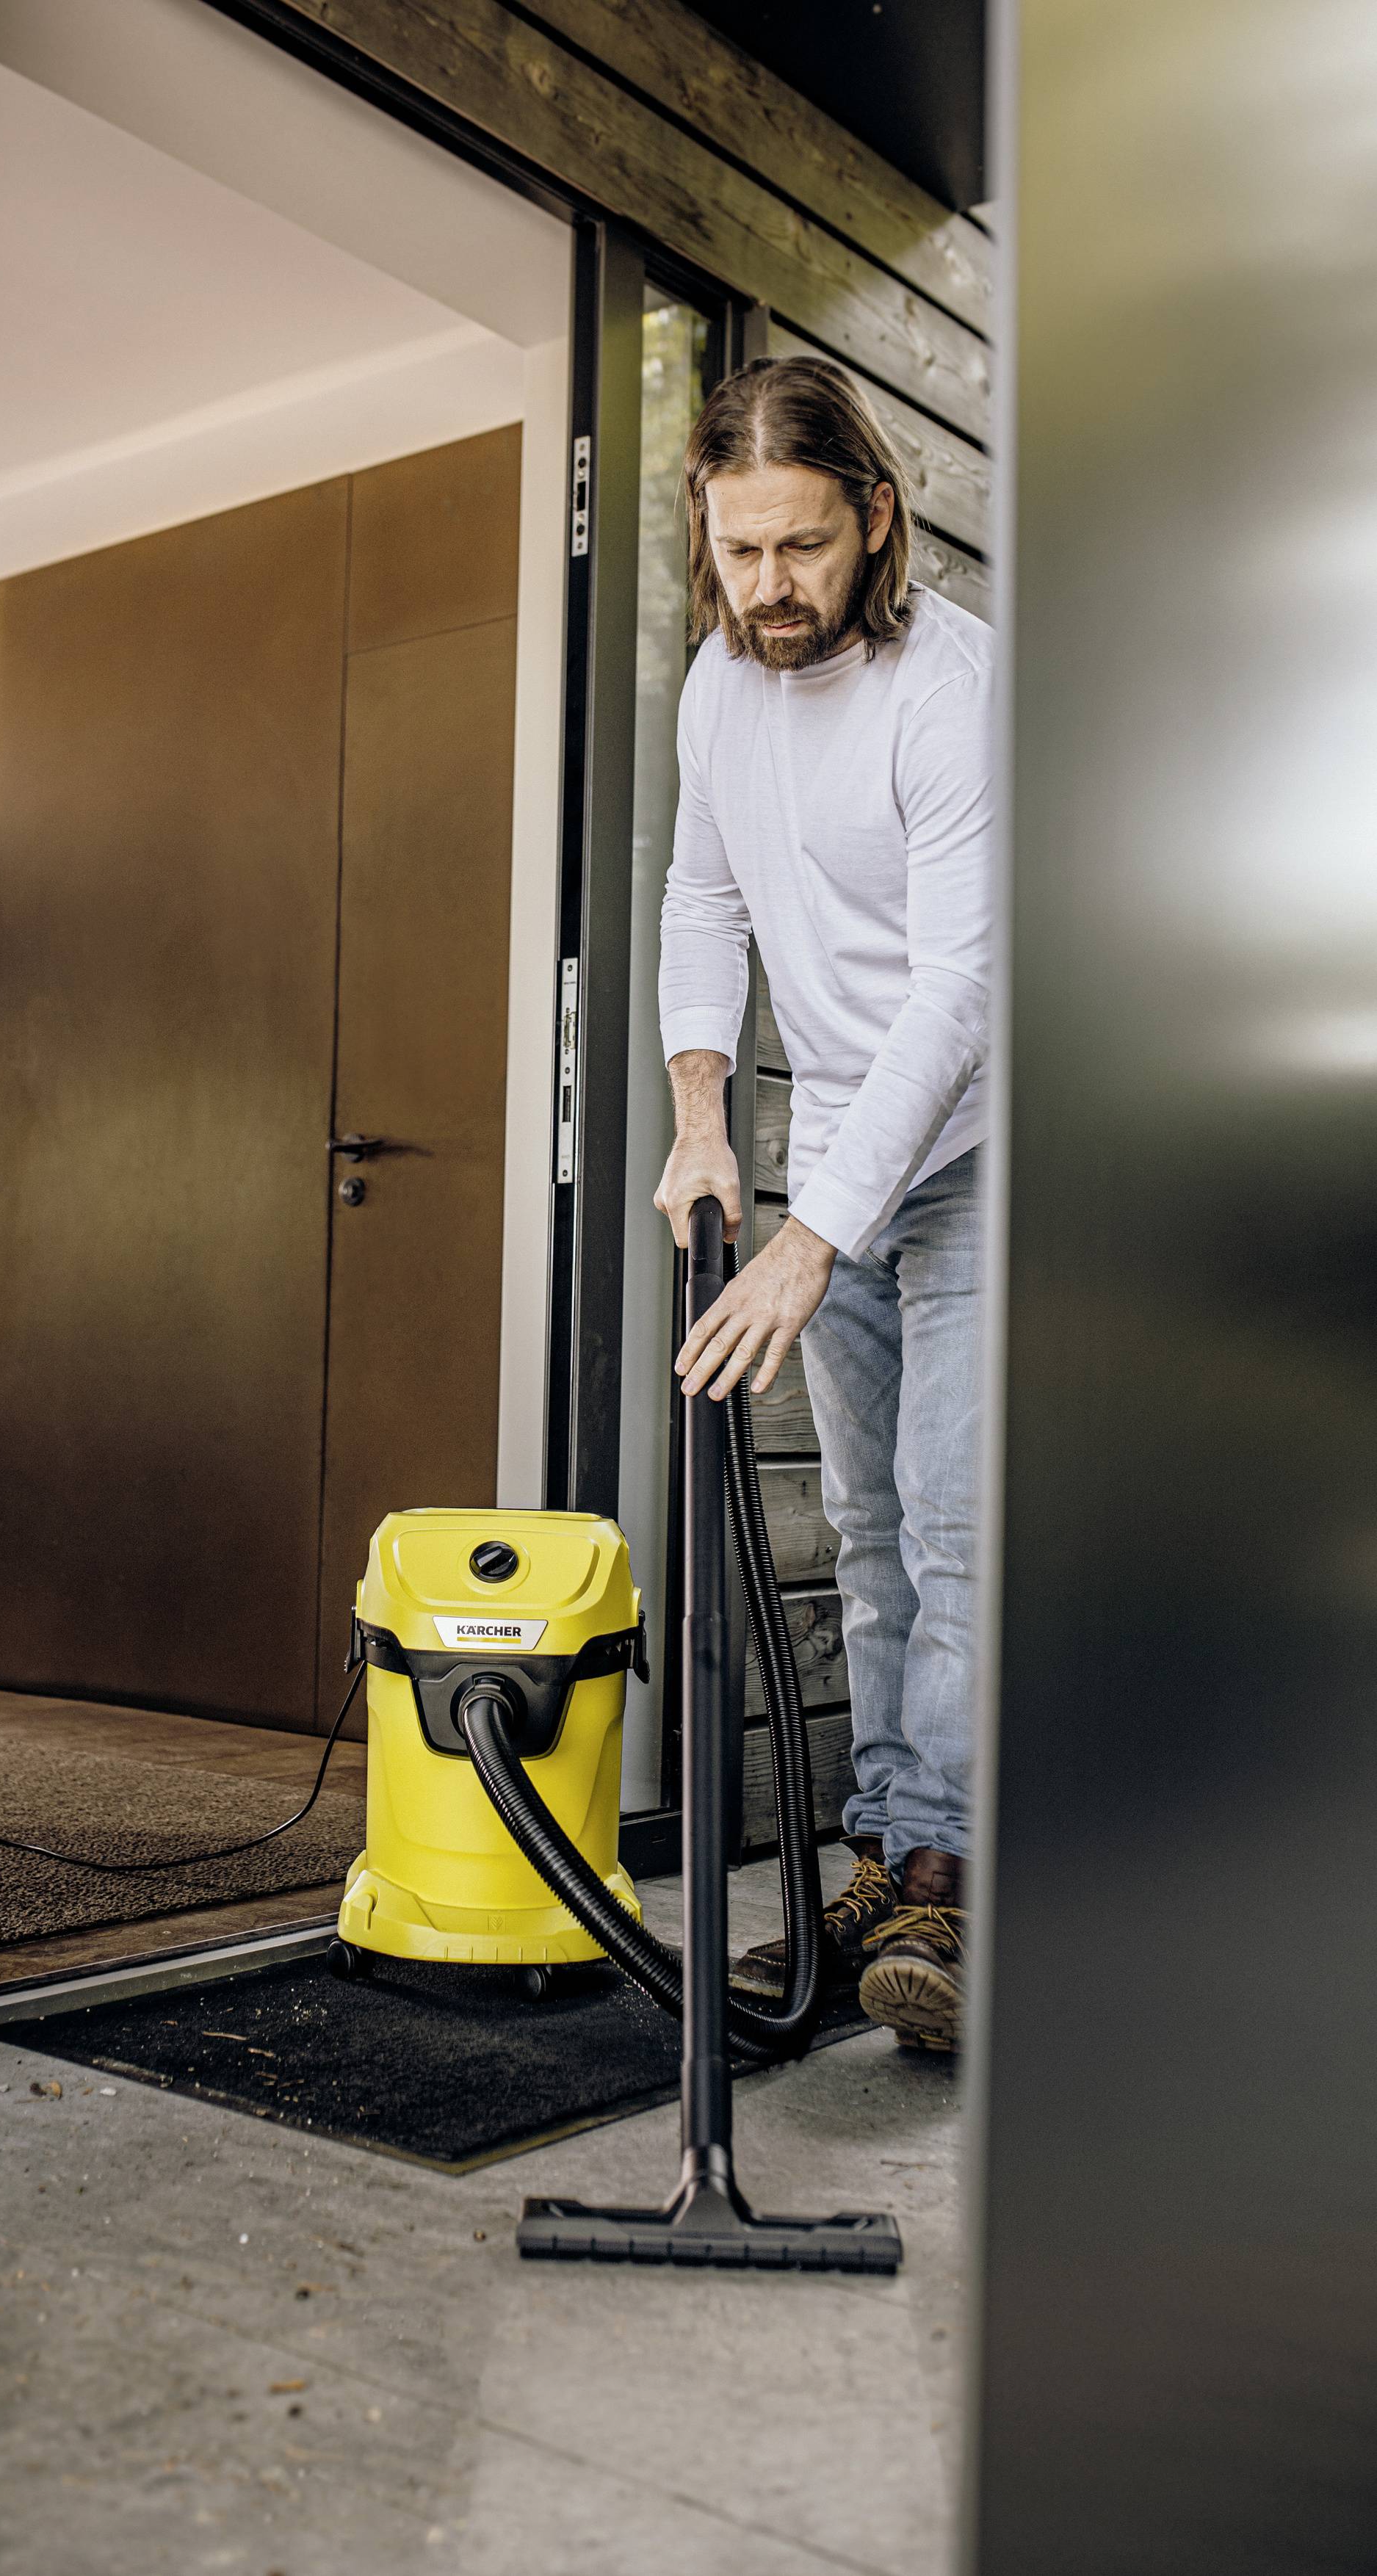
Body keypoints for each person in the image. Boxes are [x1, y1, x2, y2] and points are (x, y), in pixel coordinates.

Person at [654, 355, 991, 2051]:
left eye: (799, 547)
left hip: (988, 1135)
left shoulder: (952, 687)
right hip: (843, 1132)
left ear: (872, 516)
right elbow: (701, 896)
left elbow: (957, 997)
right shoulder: (721, 687)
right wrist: (703, 1120)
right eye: (738, 554)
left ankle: (948, 1867)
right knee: (864, 1528)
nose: (770, 590)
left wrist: (811, 1232)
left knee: (951, 1517)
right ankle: (888, 1841)